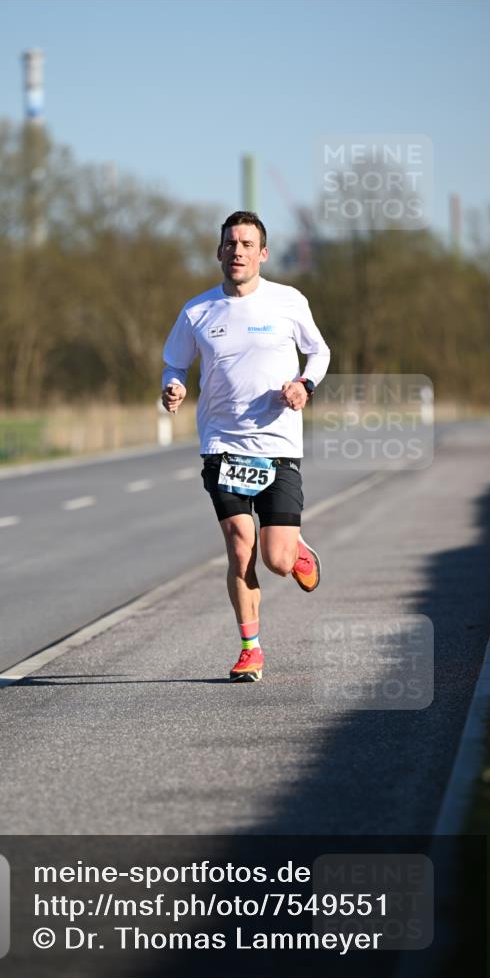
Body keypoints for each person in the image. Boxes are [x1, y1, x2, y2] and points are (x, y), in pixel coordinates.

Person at [161, 211, 331, 682]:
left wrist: (305, 384)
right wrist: (172, 387)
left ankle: (294, 551)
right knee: (240, 548)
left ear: (263, 253)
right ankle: (250, 649)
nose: (237, 251)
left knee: (275, 560)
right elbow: (174, 364)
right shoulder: (197, 311)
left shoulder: (288, 301)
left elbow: (319, 351)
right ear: (219, 252)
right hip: (222, 446)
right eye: (230, 243)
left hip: (277, 445)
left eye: (246, 243)